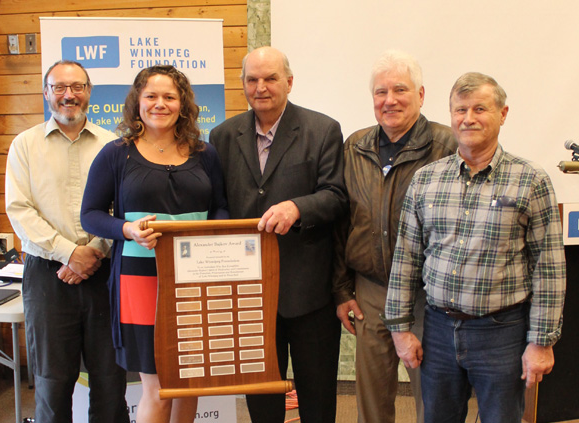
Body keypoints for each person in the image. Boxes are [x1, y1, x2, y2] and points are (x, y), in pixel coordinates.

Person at [384, 72, 566, 423]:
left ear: (503, 113)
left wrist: (541, 341)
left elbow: (549, 267)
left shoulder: (531, 180)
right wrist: (400, 328)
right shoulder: (427, 180)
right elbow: (406, 258)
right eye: (460, 109)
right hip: (437, 329)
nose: (468, 118)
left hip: (502, 332)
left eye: (480, 108)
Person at [80, 65, 228, 423]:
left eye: (169, 97)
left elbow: (221, 207)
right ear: (137, 102)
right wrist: (127, 229)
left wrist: (213, 236)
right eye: (151, 96)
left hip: (196, 280)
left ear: (183, 104)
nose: (159, 104)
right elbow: (91, 214)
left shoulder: (204, 153)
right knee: (159, 389)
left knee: (189, 385)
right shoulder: (117, 154)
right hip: (140, 281)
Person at [210, 46, 346, 423]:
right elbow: (218, 203)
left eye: (270, 78)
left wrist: (297, 207)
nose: (261, 87)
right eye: (252, 80)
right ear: (243, 85)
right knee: (261, 398)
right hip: (250, 292)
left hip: (309, 291)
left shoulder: (322, 130)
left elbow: (336, 196)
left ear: (289, 81)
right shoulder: (222, 136)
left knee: (317, 397)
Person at [332, 50, 456, 423]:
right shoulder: (355, 146)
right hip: (369, 289)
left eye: (399, 89)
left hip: (427, 293)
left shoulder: (447, 146)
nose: (389, 100)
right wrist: (342, 290)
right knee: (370, 397)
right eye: (380, 92)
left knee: (431, 395)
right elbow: (342, 221)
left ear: (421, 94)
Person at [5, 60, 129, 423]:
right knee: (51, 383)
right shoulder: (24, 146)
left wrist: (94, 251)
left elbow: (122, 207)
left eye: (76, 87)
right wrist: (70, 254)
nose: (68, 95)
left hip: (104, 274)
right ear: (46, 93)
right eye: (59, 88)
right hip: (47, 278)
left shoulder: (114, 145)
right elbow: (20, 211)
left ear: (89, 92)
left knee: (110, 381)